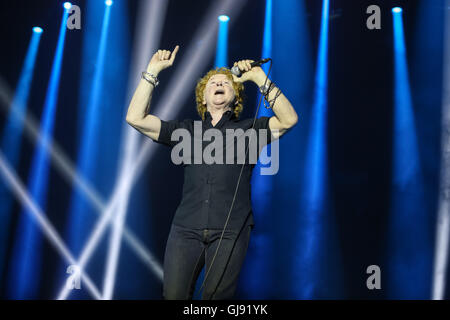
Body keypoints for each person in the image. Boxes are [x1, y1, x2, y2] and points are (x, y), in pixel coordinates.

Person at [126, 45, 298, 299]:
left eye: (225, 83)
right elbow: (136, 118)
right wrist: (152, 72)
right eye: (212, 83)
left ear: (236, 97)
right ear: (203, 98)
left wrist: (260, 78)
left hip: (231, 229)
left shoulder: (250, 129)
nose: (219, 83)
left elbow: (288, 120)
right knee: (174, 295)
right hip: (185, 228)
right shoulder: (187, 131)